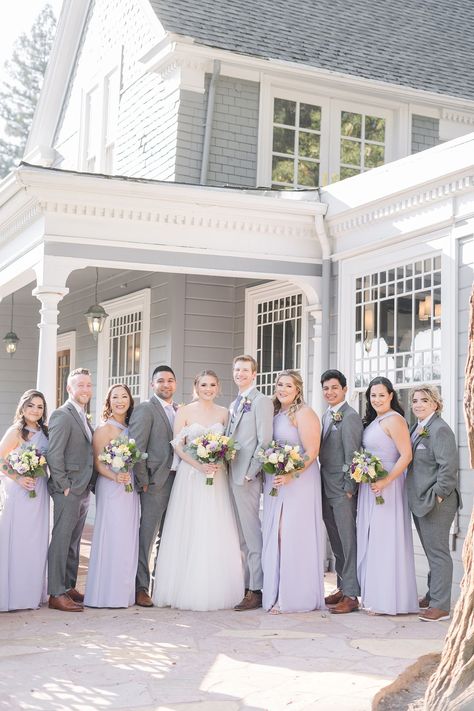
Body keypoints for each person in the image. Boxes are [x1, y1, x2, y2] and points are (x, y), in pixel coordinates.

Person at [153, 370, 244, 610]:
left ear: (218, 387)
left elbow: (231, 445)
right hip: (191, 476)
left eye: (212, 385)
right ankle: (183, 587)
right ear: (196, 386)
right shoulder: (184, 411)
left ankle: (218, 587)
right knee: (190, 526)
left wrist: (219, 461)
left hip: (217, 476)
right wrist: (199, 465)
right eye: (204, 384)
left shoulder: (225, 413)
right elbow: (178, 446)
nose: (208, 389)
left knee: (215, 526)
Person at [262, 370, 325, 613]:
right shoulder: (275, 413)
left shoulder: (304, 413)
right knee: (276, 535)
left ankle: (293, 597)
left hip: (299, 481)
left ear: (298, 389)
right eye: (279, 384)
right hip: (276, 480)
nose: (283, 389)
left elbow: (312, 451)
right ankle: (276, 592)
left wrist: (291, 473)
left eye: (288, 385)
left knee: (291, 534)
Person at [357, 377, 418, 615]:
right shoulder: (375, 421)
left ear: (391, 395)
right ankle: (375, 596)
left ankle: (388, 600)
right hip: (371, 485)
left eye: (382, 395)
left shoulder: (395, 420)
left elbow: (406, 455)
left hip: (388, 485)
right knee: (374, 539)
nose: (377, 399)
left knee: (385, 539)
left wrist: (386, 480)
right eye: (373, 395)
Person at [407, 385, 461, 622]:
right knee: (431, 550)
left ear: (435, 404)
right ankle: (433, 595)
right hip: (420, 500)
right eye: (415, 400)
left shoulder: (440, 430)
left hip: (437, 501)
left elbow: (448, 469)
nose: (418, 404)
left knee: (438, 552)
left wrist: (437, 495)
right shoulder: (417, 428)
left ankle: (440, 606)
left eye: (424, 401)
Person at [84, 384, 139, 608]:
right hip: (112, 486)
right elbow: (97, 463)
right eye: (115, 397)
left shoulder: (132, 427)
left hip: (130, 486)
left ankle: (123, 593)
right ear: (108, 402)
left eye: (124, 396)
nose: (120, 401)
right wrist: (115, 478)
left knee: (127, 538)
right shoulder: (104, 429)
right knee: (112, 536)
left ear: (130, 401)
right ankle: (104, 594)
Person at [226, 355, 274, 611]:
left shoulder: (261, 401)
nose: (240, 373)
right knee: (242, 536)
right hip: (230, 475)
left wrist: (251, 472)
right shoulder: (236, 403)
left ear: (255, 374)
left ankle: (256, 588)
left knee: (252, 534)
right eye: (237, 369)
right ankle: (246, 584)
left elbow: (265, 440)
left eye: (245, 370)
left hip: (246, 477)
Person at [128, 365, 177, 607]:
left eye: (170, 380)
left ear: (175, 384)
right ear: (152, 385)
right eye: (160, 381)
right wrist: (144, 481)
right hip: (155, 483)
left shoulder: (178, 410)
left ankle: (161, 585)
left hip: (178, 482)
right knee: (146, 536)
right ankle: (140, 587)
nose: (165, 385)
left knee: (167, 537)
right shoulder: (146, 409)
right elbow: (135, 448)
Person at [47, 368, 95, 612]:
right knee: (62, 539)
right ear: (69, 388)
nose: (85, 389)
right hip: (68, 489)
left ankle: (68, 585)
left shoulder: (83, 415)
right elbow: (53, 453)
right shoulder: (62, 415)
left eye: (89, 385)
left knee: (74, 541)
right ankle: (56, 593)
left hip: (83, 488)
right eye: (80, 385)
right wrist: (64, 485)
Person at [0, 390, 49, 611]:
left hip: (40, 491)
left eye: (40, 407)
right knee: (19, 541)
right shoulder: (16, 432)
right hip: (20, 492)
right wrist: (19, 478)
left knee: (36, 542)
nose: (35, 410)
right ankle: (15, 595)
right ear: (23, 407)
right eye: (31, 405)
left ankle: (31, 593)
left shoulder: (45, 432)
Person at [319, 370, 363, 614]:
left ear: (345, 389)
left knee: (348, 540)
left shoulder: (350, 417)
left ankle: (352, 594)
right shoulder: (326, 415)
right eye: (326, 388)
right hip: (325, 485)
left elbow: (353, 455)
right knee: (335, 540)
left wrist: (349, 488)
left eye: (335, 387)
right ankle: (342, 585)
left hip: (342, 489)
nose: (330, 392)